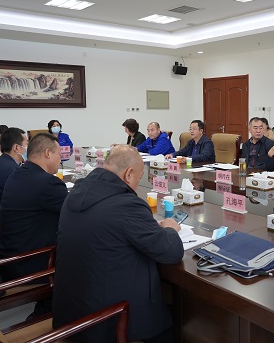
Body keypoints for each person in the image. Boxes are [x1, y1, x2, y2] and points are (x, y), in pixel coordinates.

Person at [52, 145, 183, 342]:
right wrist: (171, 228)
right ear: (129, 174)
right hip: (108, 322)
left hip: (70, 314)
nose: (137, 185)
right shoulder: (127, 205)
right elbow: (171, 251)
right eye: (139, 178)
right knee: (177, 324)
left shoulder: (76, 191)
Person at [0, 133, 67, 281]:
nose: (60, 160)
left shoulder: (17, 173)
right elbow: (75, 214)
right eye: (59, 155)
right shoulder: (48, 183)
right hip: (31, 264)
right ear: (48, 153)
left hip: (9, 259)